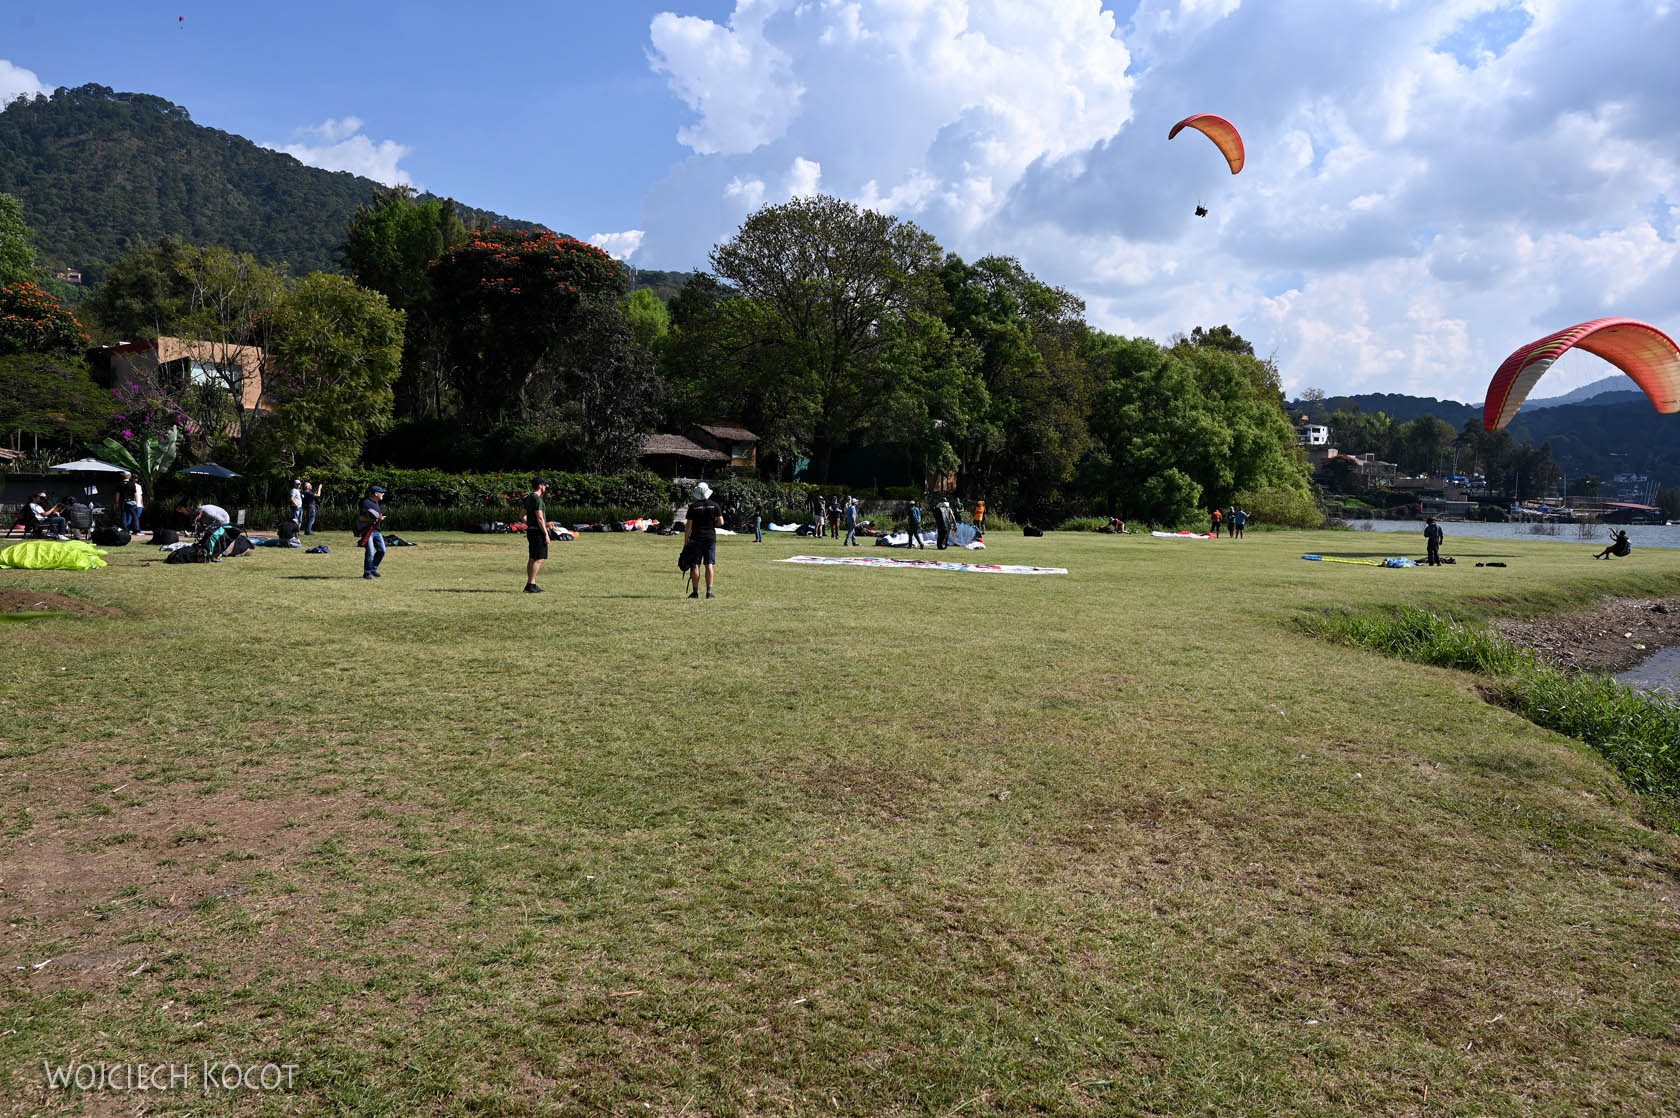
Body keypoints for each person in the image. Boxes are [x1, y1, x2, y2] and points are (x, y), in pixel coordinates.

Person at [683, 481, 724, 598]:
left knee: (695, 565)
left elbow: (688, 527)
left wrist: (686, 542)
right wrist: (712, 524)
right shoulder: (715, 505)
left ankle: (695, 592)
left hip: (696, 538)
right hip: (710, 538)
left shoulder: (693, 506)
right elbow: (721, 522)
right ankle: (709, 592)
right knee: (709, 565)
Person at [523, 477, 550, 593]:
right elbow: (540, 518)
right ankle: (531, 584)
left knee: (532, 558)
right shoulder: (538, 500)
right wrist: (546, 533)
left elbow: (522, 515)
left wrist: (530, 524)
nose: (545, 488)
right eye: (544, 485)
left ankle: (531, 584)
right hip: (538, 532)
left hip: (531, 531)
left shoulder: (528, 498)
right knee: (540, 558)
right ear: (540, 486)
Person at [356, 485, 387, 579]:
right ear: (376, 494)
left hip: (377, 530)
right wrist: (375, 519)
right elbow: (361, 518)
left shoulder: (376, 503)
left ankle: (373, 568)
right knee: (370, 551)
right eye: (381, 492)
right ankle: (367, 573)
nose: (383, 494)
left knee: (382, 550)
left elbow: (375, 517)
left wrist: (379, 518)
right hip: (368, 531)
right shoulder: (366, 502)